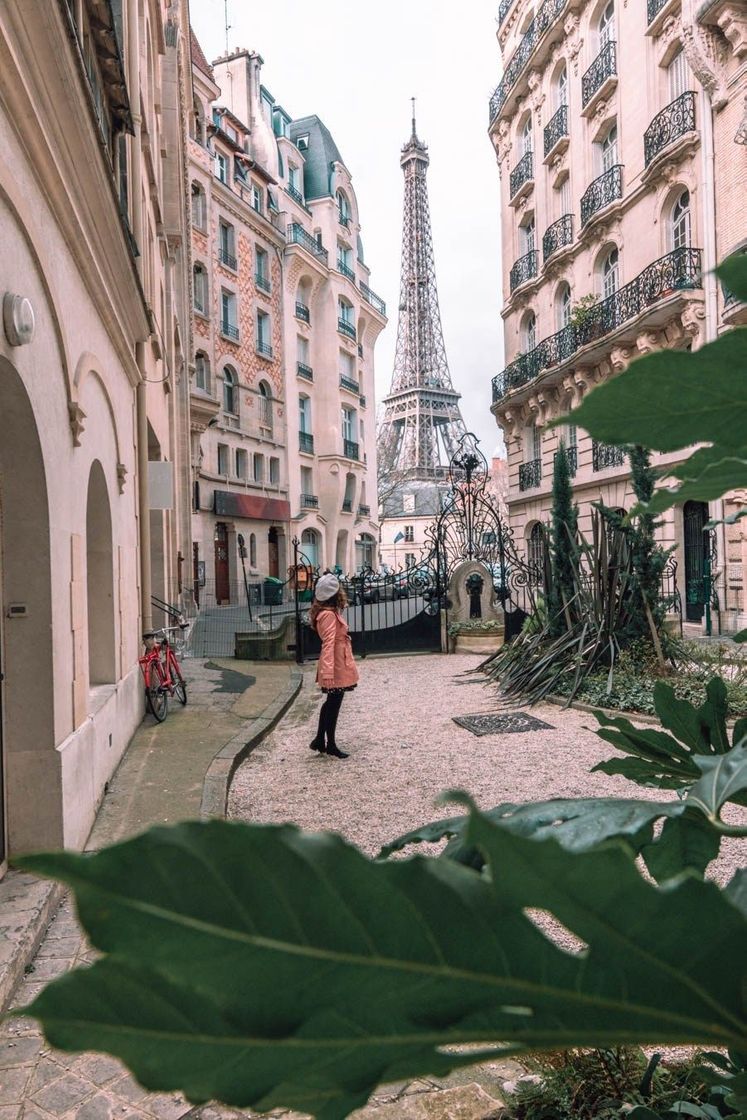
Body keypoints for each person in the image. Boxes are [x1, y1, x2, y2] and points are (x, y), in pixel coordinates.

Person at [308, 572, 359, 759]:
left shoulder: (327, 612)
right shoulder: (328, 615)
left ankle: (320, 740)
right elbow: (328, 643)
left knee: (331, 703)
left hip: (337, 661)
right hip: (335, 663)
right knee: (334, 704)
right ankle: (330, 744)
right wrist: (328, 672)